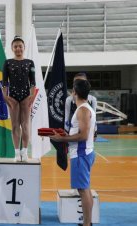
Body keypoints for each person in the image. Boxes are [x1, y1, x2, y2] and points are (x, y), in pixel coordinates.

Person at [50, 79, 96, 226]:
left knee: (83, 190)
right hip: (83, 153)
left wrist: (63, 138)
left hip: (81, 154)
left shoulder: (82, 109)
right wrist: (66, 134)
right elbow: (81, 132)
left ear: (74, 92)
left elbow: (83, 135)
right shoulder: (84, 108)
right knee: (85, 189)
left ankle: (87, 224)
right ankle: (87, 223)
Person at [2, 36, 36, 162]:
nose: (18, 48)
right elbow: (5, 82)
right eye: (15, 46)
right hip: (13, 97)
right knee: (15, 125)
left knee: (25, 125)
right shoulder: (8, 63)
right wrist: (5, 96)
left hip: (26, 96)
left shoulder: (30, 62)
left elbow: (33, 82)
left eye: (20, 46)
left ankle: (25, 151)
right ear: (12, 48)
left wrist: (32, 96)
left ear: (24, 48)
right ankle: (16, 152)